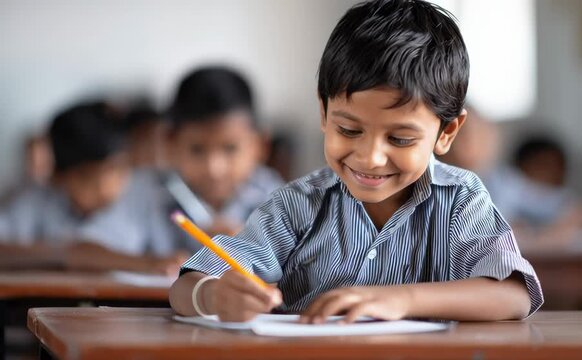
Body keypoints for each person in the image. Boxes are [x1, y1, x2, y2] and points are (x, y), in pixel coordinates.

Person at [169, 0, 543, 323]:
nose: (370, 157)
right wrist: (214, 296)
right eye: (348, 130)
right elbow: (185, 287)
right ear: (324, 112)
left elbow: (514, 294)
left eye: (400, 138)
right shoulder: (296, 207)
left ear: (447, 132)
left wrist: (401, 299)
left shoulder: (460, 200)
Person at [0, 101, 187, 274]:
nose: (105, 187)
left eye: (116, 169)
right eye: (86, 176)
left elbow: (172, 256)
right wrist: (66, 254)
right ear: (58, 177)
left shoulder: (147, 193)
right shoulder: (35, 199)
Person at [163, 66, 284, 252]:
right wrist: (152, 264)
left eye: (230, 149)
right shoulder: (147, 193)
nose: (214, 169)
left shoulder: (278, 198)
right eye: (197, 149)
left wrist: (251, 247)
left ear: (260, 146)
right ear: (171, 144)